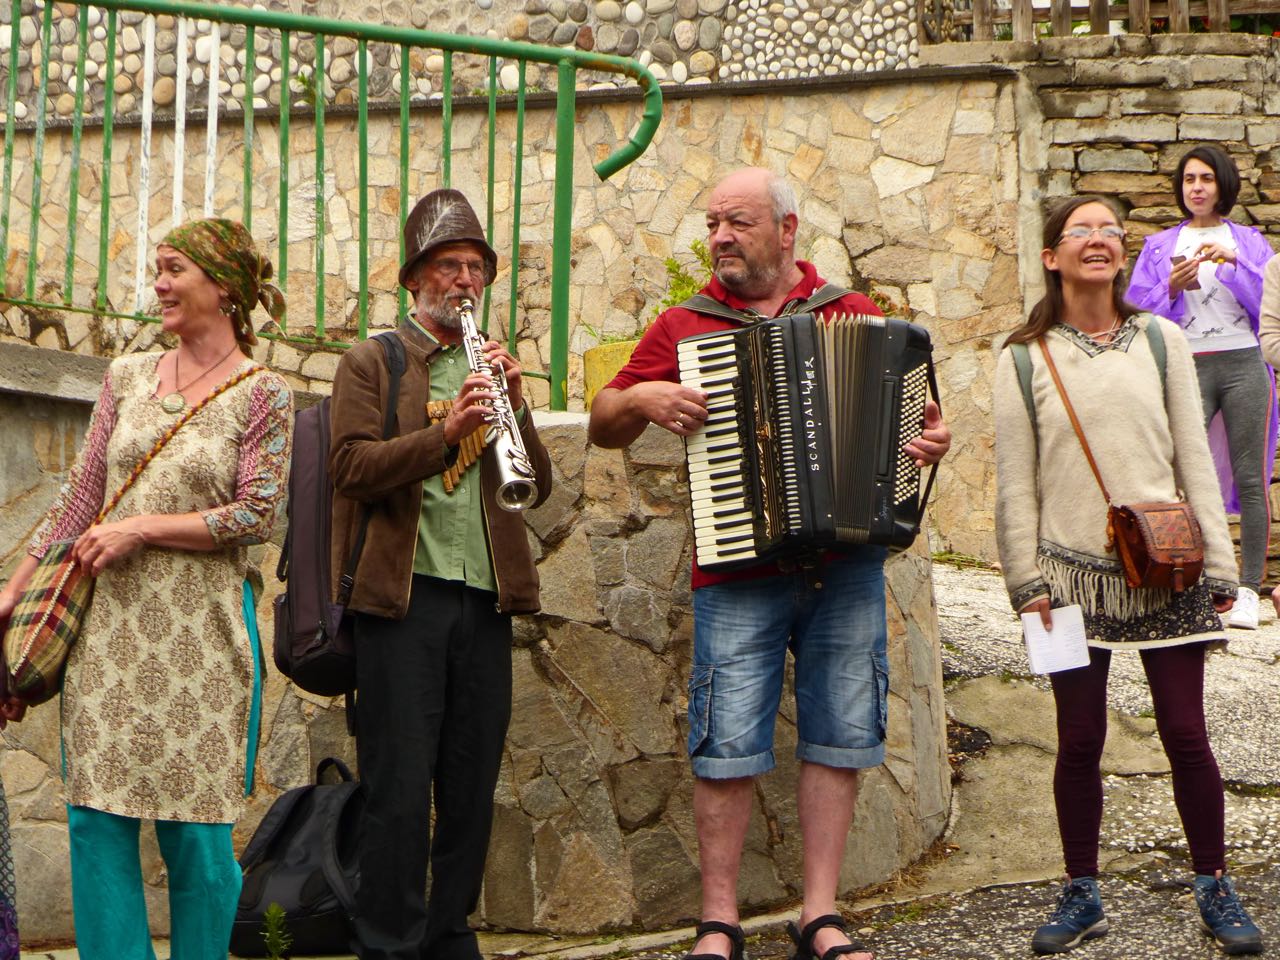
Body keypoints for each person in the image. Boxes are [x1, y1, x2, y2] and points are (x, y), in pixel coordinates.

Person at [589, 167, 950, 960]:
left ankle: (819, 914)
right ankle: (718, 923)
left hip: (846, 566)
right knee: (725, 744)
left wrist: (923, 446)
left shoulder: (851, 314)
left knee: (843, 734)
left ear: (786, 230)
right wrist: (643, 399)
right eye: (713, 222)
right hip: (735, 571)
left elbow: (913, 431)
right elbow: (602, 420)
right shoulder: (684, 325)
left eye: (738, 223)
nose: (720, 236)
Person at [0, 218, 293, 959]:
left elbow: (257, 513)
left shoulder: (263, 394)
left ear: (223, 286)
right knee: (97, 822)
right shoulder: (127, 377)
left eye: (173, 270)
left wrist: (144, 528)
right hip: (109, 636)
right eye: (157, 269)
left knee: (196, 833)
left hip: (202, 637)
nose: (158, 284)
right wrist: (15, 587)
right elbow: (82, 495)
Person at [995, 194, 1263, 955]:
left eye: (1111, 229)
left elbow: (1192, 457)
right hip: (1070, 577)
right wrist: (1025, 581)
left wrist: (1218, 560)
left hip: (1168, 570)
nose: (1100, 239)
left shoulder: (1163, 341)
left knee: (1186, 733)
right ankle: (1083, 891)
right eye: (1081, 230)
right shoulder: (1023, 356)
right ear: (1052, 255)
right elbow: (1015, 481)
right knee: (1078, 739)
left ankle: (1214, 883)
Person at [329, 187, 552, 960]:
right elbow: (351, 467)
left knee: (469, 783)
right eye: (449, 266)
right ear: (416, 278)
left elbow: (535, 487)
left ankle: (451, 938)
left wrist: (515, 409)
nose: (465, 281)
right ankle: (388, 944)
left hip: (484, 600)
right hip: (404, 601)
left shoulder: (490, 365)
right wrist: (445, 432)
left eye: (475, 268)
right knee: (398, 787)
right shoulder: (375, 361)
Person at [1126, 144, 1278, 629]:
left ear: (1223, 185)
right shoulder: (1159, 246)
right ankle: (1192, 584)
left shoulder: (1249, 240)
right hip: (1185, 364)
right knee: (1183, 478)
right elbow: (1136, 313)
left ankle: (1249, 590)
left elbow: (1269, 304)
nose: (1196, 188)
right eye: (1189, 179)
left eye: (1206, 179)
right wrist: (1170, 286)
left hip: (1243, 363)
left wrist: (1233, 265)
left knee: (1252, 478)